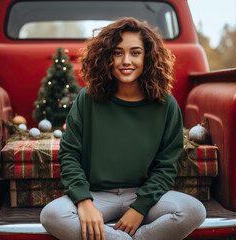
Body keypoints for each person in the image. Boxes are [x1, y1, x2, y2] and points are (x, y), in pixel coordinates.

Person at [40, 17, 206, 240]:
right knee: (52, 215)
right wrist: (84, 201)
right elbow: (69, 154)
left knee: (194, 211)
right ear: (106, 57)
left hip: (145, 195)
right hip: (96, 195)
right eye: (117, 53)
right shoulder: (88, 99)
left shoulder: (166, 104)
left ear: (148, 57)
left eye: (135, 53)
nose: (126, 60)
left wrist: (139, 209)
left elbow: (166, 166)